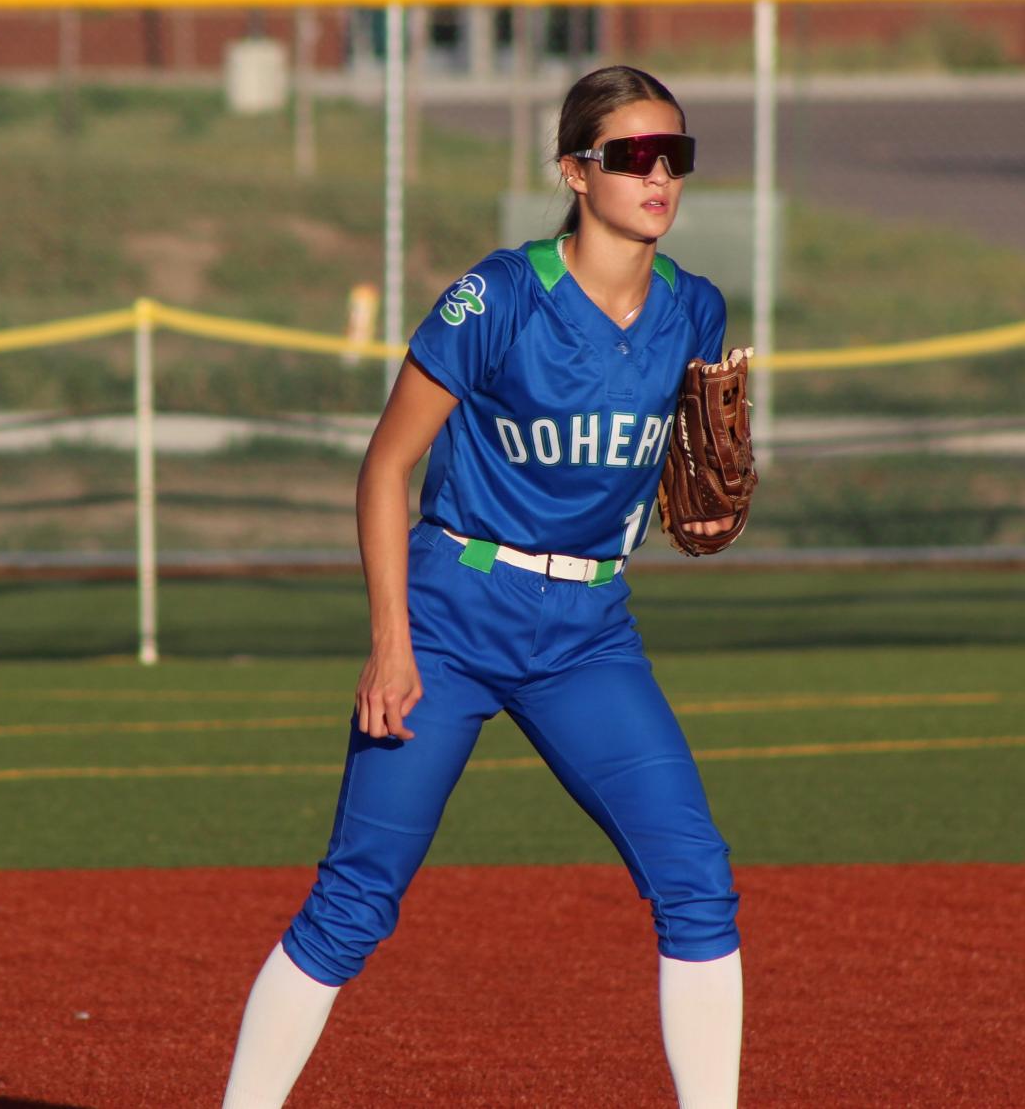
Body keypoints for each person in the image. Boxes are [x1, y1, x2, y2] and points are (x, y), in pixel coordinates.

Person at [221, 66, 744, 1109]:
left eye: (674, 154)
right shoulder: (497, 296)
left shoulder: (696, 308)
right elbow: (383, 468)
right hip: (452, 615)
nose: (658, 175)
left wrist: (714, 506)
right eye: (631, 155)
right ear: (573, 171)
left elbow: (696, 470)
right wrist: (390, 639)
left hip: (589, 627)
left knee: (699, 884)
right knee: (354, 901)